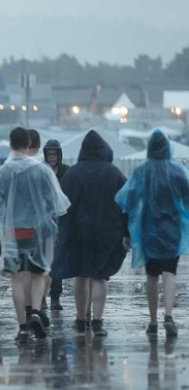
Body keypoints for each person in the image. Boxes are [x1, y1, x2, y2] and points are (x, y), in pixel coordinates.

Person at [0, 127, 70, 343]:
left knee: (18, 279)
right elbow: (55, 204)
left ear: (11, 144)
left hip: (13, 232)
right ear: (30, 144)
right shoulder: (42, 171)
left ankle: (23, 327)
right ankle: (35, 310)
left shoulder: (3, 172)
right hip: (38, 232)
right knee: (39, 274)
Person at [52, 130, 128, 337]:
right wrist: (127, 232)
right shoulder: (114, 173)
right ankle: (97, 321)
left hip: (79, 232)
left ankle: (80, 318)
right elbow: (126, 204)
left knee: (81, 275)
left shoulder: (73, 173)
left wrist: (61, 232)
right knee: (99, 277)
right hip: (107, 232)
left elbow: (62, 206)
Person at [115, 130, 189, 339]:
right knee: (170, 273)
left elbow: (126, 200)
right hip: (172, 230)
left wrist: (127, 231)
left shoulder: (141, 171)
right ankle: (169, 315)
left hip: (148, 231)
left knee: (152, 276)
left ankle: (153, 321)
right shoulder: (178, 171)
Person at [42, 139, 70, 310]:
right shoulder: (41, 171)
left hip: (61, 220)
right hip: (43, 221)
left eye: (55, 154)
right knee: (44, 261)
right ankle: (42, 295)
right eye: (49, 154)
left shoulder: (67, 171)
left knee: (57, 260)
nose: (52, 157)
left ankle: (55, 297)